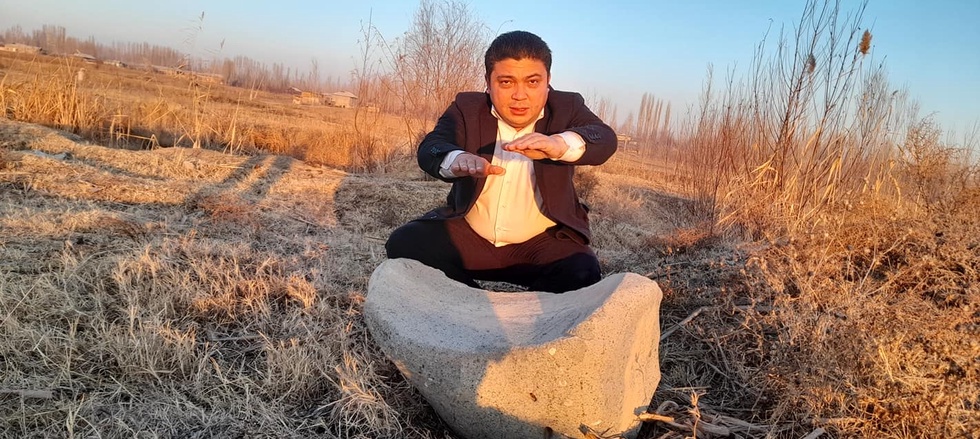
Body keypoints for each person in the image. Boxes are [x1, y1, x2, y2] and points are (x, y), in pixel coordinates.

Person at [385, 30, 617, 293]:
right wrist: (456, 158)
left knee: (582, 270)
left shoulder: (567, 107)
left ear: (548, 81)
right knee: (405, 243)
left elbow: (605, 139)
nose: (520, 95)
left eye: (532, 82)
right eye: (506, 82)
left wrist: (559, 144)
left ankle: (523, 310)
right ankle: (474, 301)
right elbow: (431, 147)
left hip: (539, 246)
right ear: (488, 82)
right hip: (472, 238)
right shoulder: (467, 108)